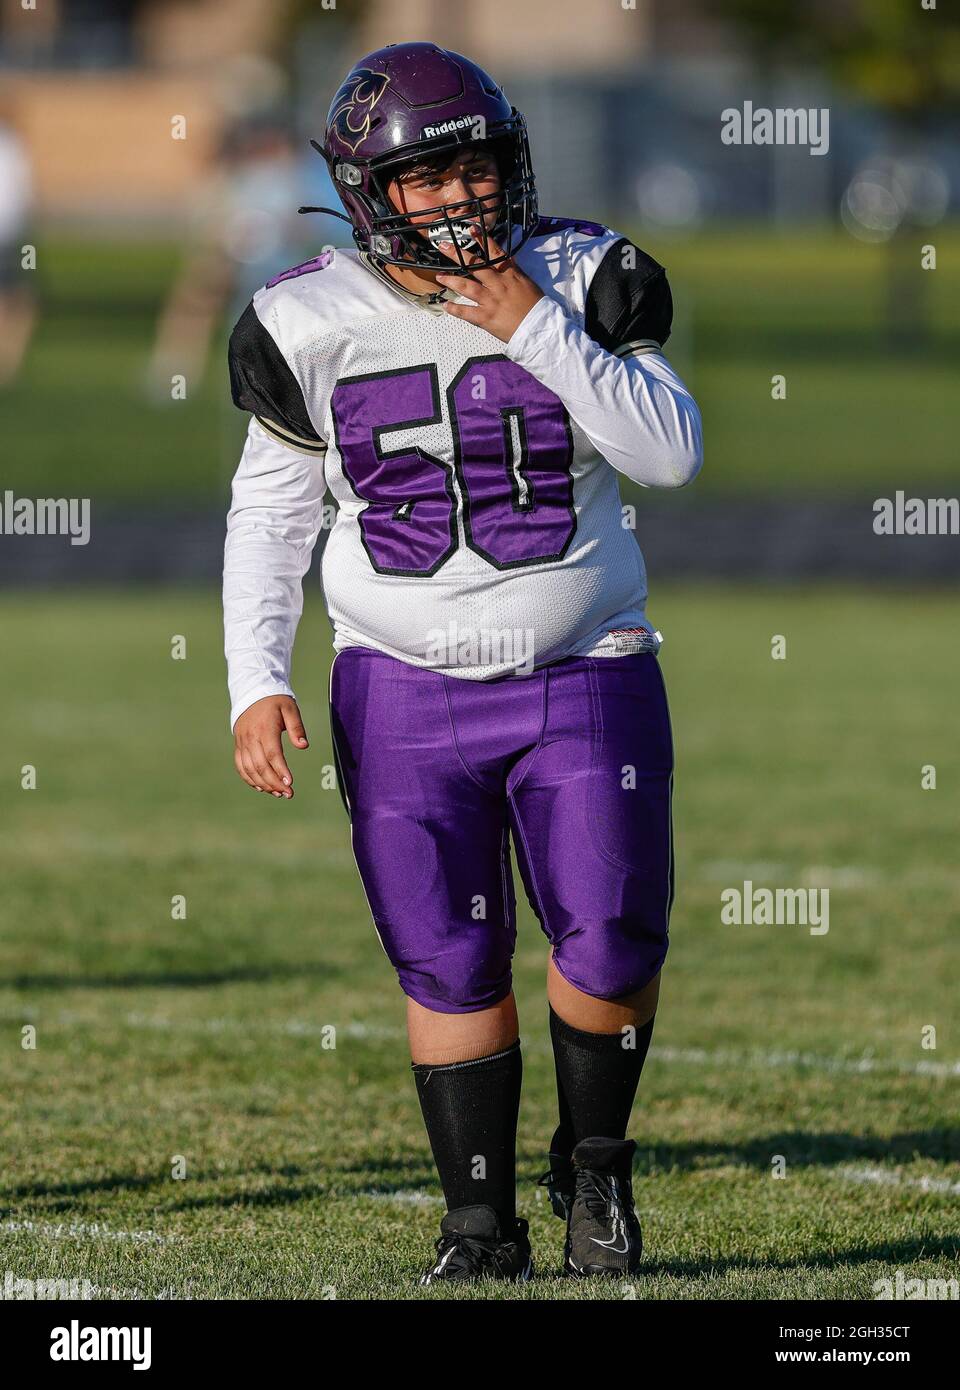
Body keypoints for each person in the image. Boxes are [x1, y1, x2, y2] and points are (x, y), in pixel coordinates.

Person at [224, 41, 702, 1284]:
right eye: (427, 179)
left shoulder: (583, 274)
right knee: (447, 955)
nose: (461, 199)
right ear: (374, 196)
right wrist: (254, 677)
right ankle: (479, 1225)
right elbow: (272, 516)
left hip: (583, 664)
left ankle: (595, 1166)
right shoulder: (304, 317)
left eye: (475, 167)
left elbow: (668, 455)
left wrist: (533, 326)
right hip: (399, 679)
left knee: (610, 942)